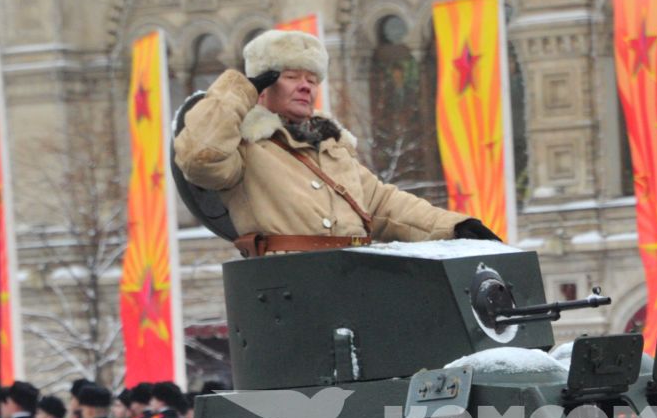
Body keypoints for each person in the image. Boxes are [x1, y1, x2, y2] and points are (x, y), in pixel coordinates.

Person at [173, 27, 491, 256]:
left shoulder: (329, 147)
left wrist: (456, 228)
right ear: (264, 85)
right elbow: (200, 156)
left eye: (312, 80)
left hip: (351, 279)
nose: (305, 87)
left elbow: (384, 204)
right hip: (287, 290)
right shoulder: (244, 146)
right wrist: (240, 90)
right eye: (291, 77)